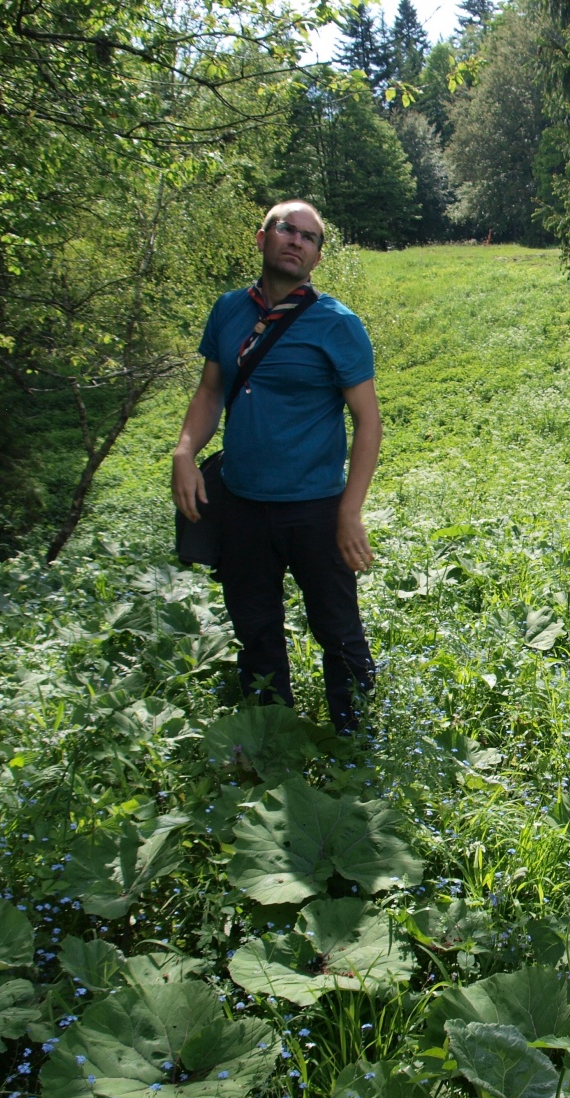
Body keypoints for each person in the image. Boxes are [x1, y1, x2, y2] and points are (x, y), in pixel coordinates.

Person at [171, 200, 382, 733]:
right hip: (241, 505)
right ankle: (271, 736)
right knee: (255, 628)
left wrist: (349, 510)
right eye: (287, 229)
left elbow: (368, 421)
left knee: (338, 629)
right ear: (261, 237)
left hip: (314, 509)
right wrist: (184, 453)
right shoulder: (227, 311)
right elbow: (211, 389)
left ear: (315, 258)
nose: (296, 241)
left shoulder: (337, 324)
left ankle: (355, 739)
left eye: (309, 238)